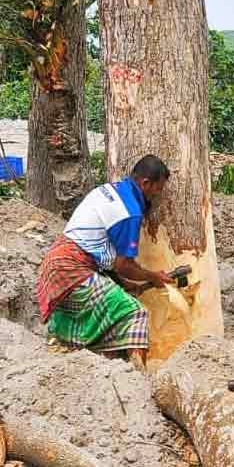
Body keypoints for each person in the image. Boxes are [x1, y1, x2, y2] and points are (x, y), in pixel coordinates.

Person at [35, 155, 173, 365]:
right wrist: (153, 277)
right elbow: (123, 265)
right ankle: (138, 375)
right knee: (135, 312)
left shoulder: (108, 190)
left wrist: (124, 285)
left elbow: (99, 251)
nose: (157, 195)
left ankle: (73, 349)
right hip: (72, 268)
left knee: (109, 305)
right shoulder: (130, 213)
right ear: (145, 183)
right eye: (157, 189)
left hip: (55, 262)